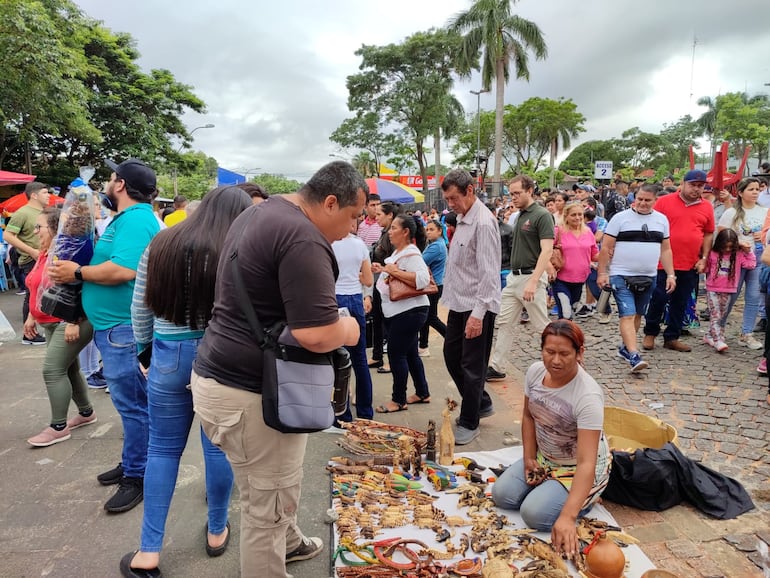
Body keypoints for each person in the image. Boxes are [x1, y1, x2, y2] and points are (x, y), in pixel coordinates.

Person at [190, 161, 364, 578]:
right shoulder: (303, 237)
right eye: (354, 216)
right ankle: (273, 557)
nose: (353, 229)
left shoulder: (259, 211)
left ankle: (290, 543)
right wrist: (351, 328)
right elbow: (317, 334)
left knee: (268, 486)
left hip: (222, 380)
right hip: (253, 396)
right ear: (330, 202)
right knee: (264, 508)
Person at [120, 186, 249, 577]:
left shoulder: (162, 242)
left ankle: (148, 551)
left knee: (161, 449)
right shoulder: (235, 246)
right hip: (219, 356)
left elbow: (140, 304)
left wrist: (144, 349)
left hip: (168, 354)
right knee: (216, 448)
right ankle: (215, 530)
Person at [48, 158, 161, 513]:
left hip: (123, 330)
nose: (107, 183)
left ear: (121, 185)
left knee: (133, 406)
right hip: (113, 328)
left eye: (111, 178)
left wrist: (77, 272)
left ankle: (138, 476)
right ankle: (132, 463)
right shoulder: (126, 219)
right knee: (129, 405)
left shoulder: (138, 219)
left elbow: (124, 270)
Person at [491, 320, 610, 558]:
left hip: (577, 468)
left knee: (533, 514)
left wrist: (568, 516)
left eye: (565, 353)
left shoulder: (587, 396)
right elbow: (527, 417)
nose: (555, 361)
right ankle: (551, 490)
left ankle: (585, 499)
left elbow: (586, 462)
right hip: (544, 458)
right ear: (541, 350)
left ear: (580, 353)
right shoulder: (536, 372)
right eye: (550, 352)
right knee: (502, 496)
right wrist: (528, 457)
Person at [24, 207, 97, 446]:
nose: (35, 232)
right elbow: (39, 287)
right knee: (68, 369)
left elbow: (73, 287)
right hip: (49, 321)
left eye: (39, 227)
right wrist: (31, 316)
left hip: (68, 322)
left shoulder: (67, 252)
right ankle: (86, 413)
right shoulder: (45, 253)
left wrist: (71, 321)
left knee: (52, 370)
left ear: (55, 229)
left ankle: (58, 427)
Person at [440, 169, 501, 445]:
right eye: (447, 199)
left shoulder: (484, 223)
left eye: (454, 198)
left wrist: (478, 316)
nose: (450, 204)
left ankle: (469, 420)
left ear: (470, 191)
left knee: (472, 365)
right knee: (452, 356)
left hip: (478, 306)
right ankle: (482, 401)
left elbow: (489, 274)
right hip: (458, 302)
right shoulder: (463, 218)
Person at [598, 184, 675, 372]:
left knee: (638, 314)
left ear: (655, 201)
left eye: (647, 200)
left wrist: (671, 274)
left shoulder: (661, 220)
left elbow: (665, 249)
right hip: (620, 274)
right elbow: (606, 247)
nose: (642, 203)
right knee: (628, 314)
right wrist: (602, 272)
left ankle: (625, 347)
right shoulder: (620, 218)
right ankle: (633, 355)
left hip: (648, 276)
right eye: (639, 199)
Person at [487, 175, 554, 382]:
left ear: (530, 191)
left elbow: (547, 250)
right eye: (511, 193)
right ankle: (496, 366)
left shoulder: (541, 215)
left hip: (530, 277)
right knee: (505, 322)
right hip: (513, 277)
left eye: (517, 193)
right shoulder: (519, 216)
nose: (513, 197)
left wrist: (535, 280)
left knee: (542, 324)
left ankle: (559, 363)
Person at [643, 170, 714, 353]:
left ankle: (672, 337)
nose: (696, 189)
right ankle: (650, 332)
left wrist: (704, 258)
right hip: (662, 262)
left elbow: (708, 233)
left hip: (690, 262)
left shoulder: (707, 207)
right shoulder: (664, 202)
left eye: (700, 186)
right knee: (659, 298)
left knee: (680, 302)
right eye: (692, 185)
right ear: (683, 184)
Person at [373, 215, 431, 412]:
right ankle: (422, 392)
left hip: (408, 312)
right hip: (402, 311)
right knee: (411, 353)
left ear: (405, 232)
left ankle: (398, 400)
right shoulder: (400, 253)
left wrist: (394, 272)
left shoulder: (411, 254)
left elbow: (422, 279)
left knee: (397, 355)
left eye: (394, 228)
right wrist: (382, 269)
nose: (390, 232)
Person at [332, 218, 374, 422]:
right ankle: (366, 412)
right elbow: (368, 280)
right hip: (355, 299)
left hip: (335, 301)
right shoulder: (359, 245)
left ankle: (342, 414)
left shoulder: (328, 243)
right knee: (360, 360)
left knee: (339, 361)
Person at [717, 177, 767, 350]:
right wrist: (738, 244)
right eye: (751, 189)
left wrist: (763, 236)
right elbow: (722, 236)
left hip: (758, 259)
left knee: (753, 297)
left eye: (757, 189)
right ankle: (718, 329)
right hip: (736, 259)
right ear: (740, 192)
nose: (755, 192)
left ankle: (747, 333)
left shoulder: (765, 211)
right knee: (731, 296)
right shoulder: (731, 213)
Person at [4, 181, 51, 345]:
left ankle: (36, 330)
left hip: (46, 258)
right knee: (32, 295)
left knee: (43, 294)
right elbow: (8, 236)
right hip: (32, 260)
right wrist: (31, 251)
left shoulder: (45, 212)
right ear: (34, 195)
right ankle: (29, 334)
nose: (49, 196)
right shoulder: (22, 213)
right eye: (45, 192)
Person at [704, 228, 756, 353]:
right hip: (713, 289)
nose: (727, 250)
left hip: (729, 290)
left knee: (722, 315)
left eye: (730, 247)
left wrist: (748, 252)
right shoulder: (713, 253)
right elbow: (706, 267)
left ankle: (711, 335)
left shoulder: (738, 254)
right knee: (715, 314)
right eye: (725, 247)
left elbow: (750, 265)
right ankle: (718, 340)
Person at [368, 201, 402, 373]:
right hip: (381, 281)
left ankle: (391, 359)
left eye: (380, 213)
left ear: (390, 215)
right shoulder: (384, 233)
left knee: (389, 322)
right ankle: (377, 355)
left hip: (390, 283)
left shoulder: (394, 235)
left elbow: (393, 262)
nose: (376, 215)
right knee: (378, 319)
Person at [551, 202, 598, 320]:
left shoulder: (588, 233)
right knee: (565, 313)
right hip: (560, 279)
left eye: (580, 214)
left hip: (580, 279)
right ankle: (563, 336)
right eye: (573, 215)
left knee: (571, 310)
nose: (577, 218)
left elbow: (594, 255)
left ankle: (567, 335)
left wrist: (608, 252)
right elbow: (546, 250)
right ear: (566, 216)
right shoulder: (558, 231)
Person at [418, 218, 447, 356]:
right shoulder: (435, 244)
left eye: (431, 230)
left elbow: (421, 261)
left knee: (430, 317)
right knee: (427, 316)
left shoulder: (437, 246)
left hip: (433, 286)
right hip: (433, 285)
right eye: (427, 229)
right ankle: (423, 346)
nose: (428, 232)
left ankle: (451, 338)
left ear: (439, 231)